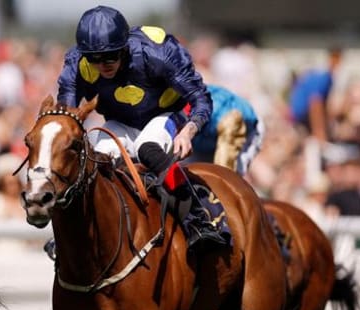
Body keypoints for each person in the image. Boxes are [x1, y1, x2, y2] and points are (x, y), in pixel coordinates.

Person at [54, 5, 228, 255]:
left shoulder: (158, 52)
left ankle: (197, 218)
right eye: (95, 58)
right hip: (120, 122)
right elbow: (66, 115)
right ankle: (76, 233)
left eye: (111, 55)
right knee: (96, 158)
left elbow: (201, 99)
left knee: (148, 147)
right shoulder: (77, 63)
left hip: (167, 115)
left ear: (124, 46)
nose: (103, 65)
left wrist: (188, 131)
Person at [184, 84, 264, 176]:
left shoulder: (225, 120)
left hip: (242, 133)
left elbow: (225, 167)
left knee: (230, 178)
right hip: (205, 139)